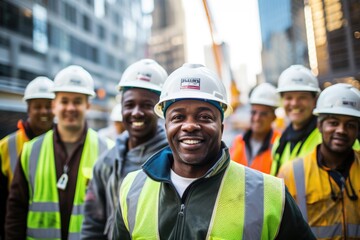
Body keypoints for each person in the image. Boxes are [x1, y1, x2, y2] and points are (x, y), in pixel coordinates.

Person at [112, 63, 316, 239]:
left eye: (204, 117)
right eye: (178, 117)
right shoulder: (131, 189)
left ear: (222, 127)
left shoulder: (270, 194)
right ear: (165, 126)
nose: (190, 126)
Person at [5, 65, 113, 240]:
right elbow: (16, 210)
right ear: (54, 105)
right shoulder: (31, 150)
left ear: (88, 105)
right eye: (64, 101)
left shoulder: (108, 150)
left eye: (77, 101)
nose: (70, 108)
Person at [81, 59, 168, 239]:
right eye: (129, 105)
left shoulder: (174, 159)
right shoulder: (106, 162)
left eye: (146, 105)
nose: (136, 112)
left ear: (161, 109)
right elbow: (93, 224)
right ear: (121, 108)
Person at [278, 83, 360, 239]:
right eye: (333, 123)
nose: (341, 130)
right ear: (320, 126)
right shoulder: (290, 173)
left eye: (350, 125)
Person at [0, 76, 55, 239]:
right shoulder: (5, 146)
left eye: (48, 106)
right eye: (37, 106)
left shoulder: (66, 143)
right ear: (28, 109)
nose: (44, 111)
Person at [270, 65, 322, 176]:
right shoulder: (279, 143)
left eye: (302, 97)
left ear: (315, 101)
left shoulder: (329, 139)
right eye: (289, 97)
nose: (294, 103)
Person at [230, 82, 281, 174]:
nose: (257, 118)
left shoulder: (280, 143)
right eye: (254, 113)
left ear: (274, 117)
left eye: (263, 114)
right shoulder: (238, 142)